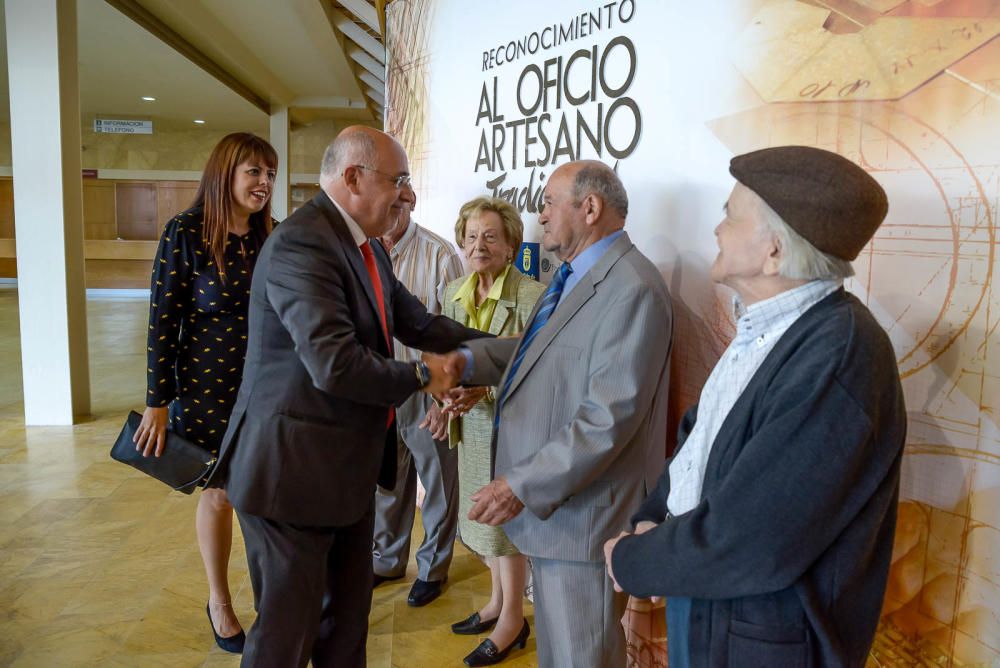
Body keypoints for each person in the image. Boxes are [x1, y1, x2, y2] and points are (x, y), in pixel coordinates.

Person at [605, 146, 907, 668]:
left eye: (729, 214)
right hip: (713, 610)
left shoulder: (840, 355)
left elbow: (754, 537)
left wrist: (634, 559)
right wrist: (652, 518)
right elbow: (700, 445)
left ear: (774, 250)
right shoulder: (769, 329)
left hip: (763, 643)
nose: (717, 230)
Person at [205, 126, 487, 668]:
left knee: (344, 631)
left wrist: (507, 351)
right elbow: (334, 364)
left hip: (343, 476)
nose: (406, 194)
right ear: (353, 177)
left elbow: (420, 323)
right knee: (286, 638)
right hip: (290, 477)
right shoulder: (301, 242)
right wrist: (426, 378)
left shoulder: (364, 247)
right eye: (398, 180)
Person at [438, 161, 673, 667]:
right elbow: (536, 350)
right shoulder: (576, 274)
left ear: (590, 208)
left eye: (548, 202)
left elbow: (608, 418)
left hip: (584, 522)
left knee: (579, 657)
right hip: (560, 518)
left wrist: (519, 483)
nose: (539, 215)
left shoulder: (631, 287)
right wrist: (468, 362)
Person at [132, 131, 278, 653]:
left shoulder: (270, 236)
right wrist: (157, 402)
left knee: (262, 492)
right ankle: (219, 600)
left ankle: (275, 601)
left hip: (264, 385)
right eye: (253, 172)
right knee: (218, 495)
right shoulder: (186, 232)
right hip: (205, 389)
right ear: (226, 173)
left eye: (269, 174)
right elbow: (161, 322)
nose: (264, 183)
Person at [440, 197, 545, 665]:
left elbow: (537, 374)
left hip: (512, 429)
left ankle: (514, 621)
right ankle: (498, 603)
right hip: (470, 429)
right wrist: (444, 396)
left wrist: (481, 392)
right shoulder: (453, 292)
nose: (478, 246)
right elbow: (448, 360)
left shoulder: (532, 295)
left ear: (510, 246)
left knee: (508, 527)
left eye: (490, 237)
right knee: (486, 525)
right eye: (470, 236)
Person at [371, 194, 465, 608]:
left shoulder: (439, 253)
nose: (388, 212)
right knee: (387, 483)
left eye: (395, 204)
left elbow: (451, 330)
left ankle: (432, 569)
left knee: (439, 484)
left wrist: (442, 400)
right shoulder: (365, 253)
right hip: (378, 388)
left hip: (425, 390)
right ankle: (387, 560)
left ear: (408, 202)